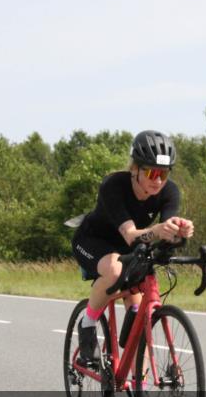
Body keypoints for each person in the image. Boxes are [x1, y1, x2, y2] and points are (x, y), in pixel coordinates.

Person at [71, 130, 195, 368]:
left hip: (127, 248)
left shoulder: (170, 191)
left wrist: (179, 230)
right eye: (151, 172)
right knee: (116, 271)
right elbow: (129, 235)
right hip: (92, 240)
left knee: (140, 319)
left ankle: (143, 388)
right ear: (135, 169)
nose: (158, 180)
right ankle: (87, 324)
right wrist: (159, 230)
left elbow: (164, 231)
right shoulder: (113, 185)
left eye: (164, 173)